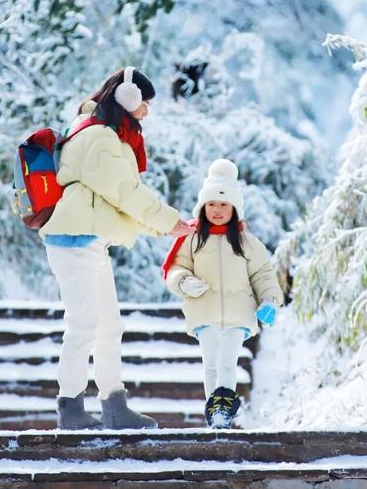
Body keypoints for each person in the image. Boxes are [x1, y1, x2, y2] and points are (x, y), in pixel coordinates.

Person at [40, 67, 191, 430]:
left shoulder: (102, 134)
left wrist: (166, 226)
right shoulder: (99, 138)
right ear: (127, 99)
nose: (146, 113)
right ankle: (71, 407)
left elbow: (117, 201)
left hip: (90, 239)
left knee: (109, 326)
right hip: (74, 241)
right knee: (83, 324)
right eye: (144, 104)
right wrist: (168, 220)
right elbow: (125, 191)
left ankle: (114, 405)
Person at [162, 159, 283, 428]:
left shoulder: (245, 241)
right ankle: (213, 413)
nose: (217, 210)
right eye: (212, 205)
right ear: (203, 207)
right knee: (211, 366)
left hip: (238, 314)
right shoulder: (192, 238)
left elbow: (263, 273)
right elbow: (175, 268)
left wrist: (269, 300)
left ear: (235, 208)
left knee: (227, 363)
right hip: (204, 311)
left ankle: (224, 411)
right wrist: (184, 281)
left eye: (224, 205)